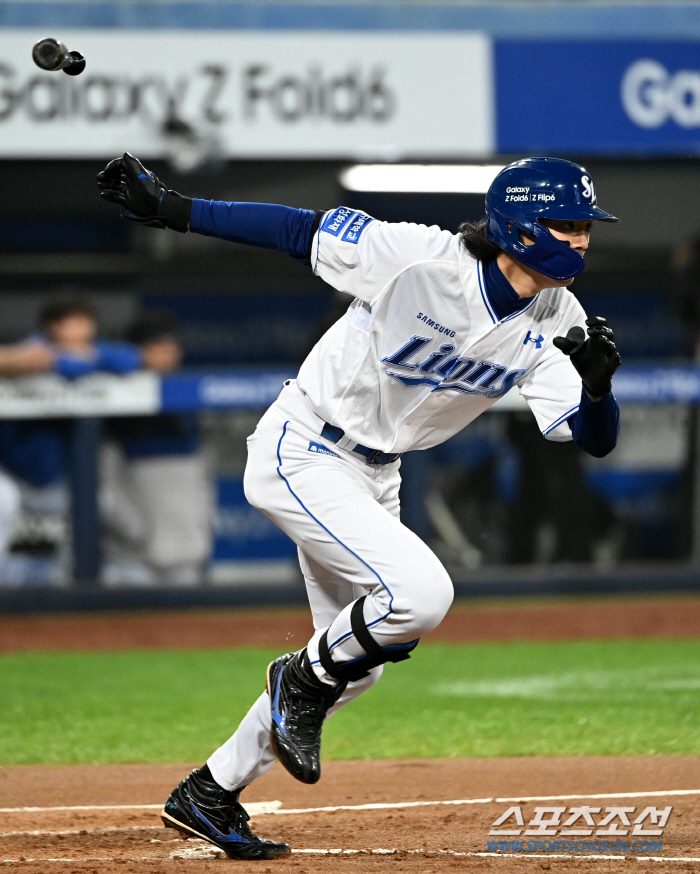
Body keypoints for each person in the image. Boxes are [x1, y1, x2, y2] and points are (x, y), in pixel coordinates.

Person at [98, 153, 622, 860]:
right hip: (305, 445)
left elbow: (590, 442)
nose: (582, 239)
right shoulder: (417, 258)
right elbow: (297, 230)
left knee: (358, 661)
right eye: (567, 224)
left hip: (377, 474)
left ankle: (210, 791)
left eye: (586, 226)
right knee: (420, 595)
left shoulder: (561, 315)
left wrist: (596, 392)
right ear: (521, 225)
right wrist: (172, 209)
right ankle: (298, 678)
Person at [101, 311, 212, 586]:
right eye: (158, 345)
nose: (170, 352)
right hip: (129, 562)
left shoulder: (187, 406)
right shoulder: (113, 406)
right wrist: (137, 536)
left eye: (172, 345)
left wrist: (198, 538)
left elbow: (203, 483)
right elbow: (104, 488)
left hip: (185, 560)